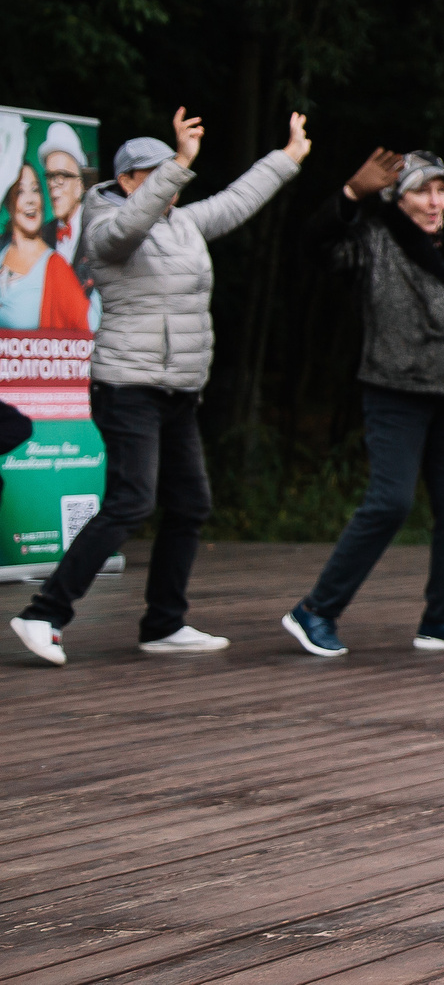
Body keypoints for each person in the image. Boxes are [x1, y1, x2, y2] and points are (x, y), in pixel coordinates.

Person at [8, 108, 308, 666]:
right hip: (127, 387)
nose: (171, 187)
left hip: (177, 389)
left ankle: (164, 623)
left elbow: (237, 200)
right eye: (156, 175)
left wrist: (286, 157)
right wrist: (181, 161)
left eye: (172, 176)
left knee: (191, 503)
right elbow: (130, 226)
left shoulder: (182, 224)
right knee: (131, 501)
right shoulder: (104, 226)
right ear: (126, 181)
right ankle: (43, 614)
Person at [283, 149, 444, 657]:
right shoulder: (375, 241)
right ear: (398, 197)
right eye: (422, 191)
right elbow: (316, 248)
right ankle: (315, 611)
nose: (435, 202)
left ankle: (442, 619)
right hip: (395, 392)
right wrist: (351, 194)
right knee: (390, 502)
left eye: (441, 191)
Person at [1, 162, 89, 331]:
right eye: (20, 191)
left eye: (35, 190)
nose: (31, 200)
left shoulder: (56, 268)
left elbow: (85, 329)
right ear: (8, 202)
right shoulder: (2, 251)